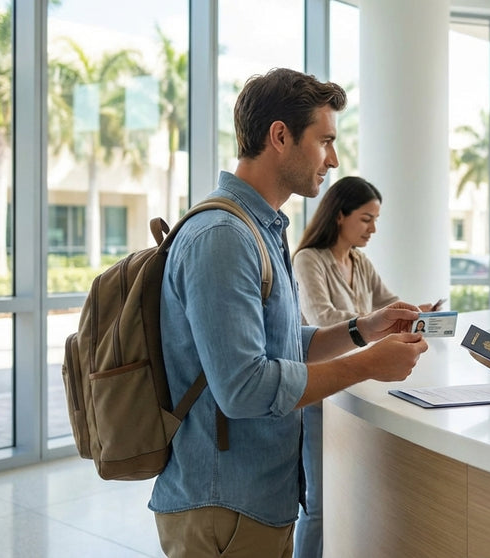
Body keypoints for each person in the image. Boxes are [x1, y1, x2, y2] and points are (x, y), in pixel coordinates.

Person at [148, 68, 428, 558]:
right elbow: (244, 387)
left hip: (256, 500)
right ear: (280, 136)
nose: (333, 160)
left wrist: (363, 330)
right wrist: (367, 364)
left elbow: (280, 344)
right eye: (324, 141)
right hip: (223, 506)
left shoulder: (260, 229)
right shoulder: (224, 236)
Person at [289, 175, 438, 558]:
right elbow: (321, 316)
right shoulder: (309, 260)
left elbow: (388, 302)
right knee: (320, 506)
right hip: (322, 386)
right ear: (340, 216)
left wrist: (414, 311)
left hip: (356, 386)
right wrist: (377, 320)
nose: (373, 228)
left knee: (345, 501)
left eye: (376, 220)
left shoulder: (359, 261)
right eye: (366, 219)